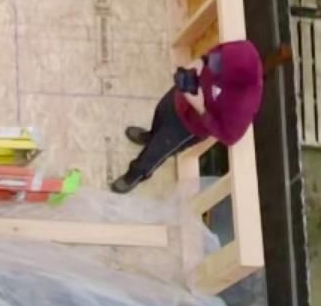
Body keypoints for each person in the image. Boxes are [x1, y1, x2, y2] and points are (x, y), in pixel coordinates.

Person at [110, 40, 287, 193]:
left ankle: (134, 175)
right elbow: (216, 53)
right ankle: (149, 136)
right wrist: (201, 62)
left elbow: (229, 136)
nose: (214, 66)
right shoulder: (241, 50)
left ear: (232, 78)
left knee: (156, 151)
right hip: (183, 93)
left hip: (188, 126)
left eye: (219, 68)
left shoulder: (245, 104)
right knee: (160, 112)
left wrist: (201, 108)